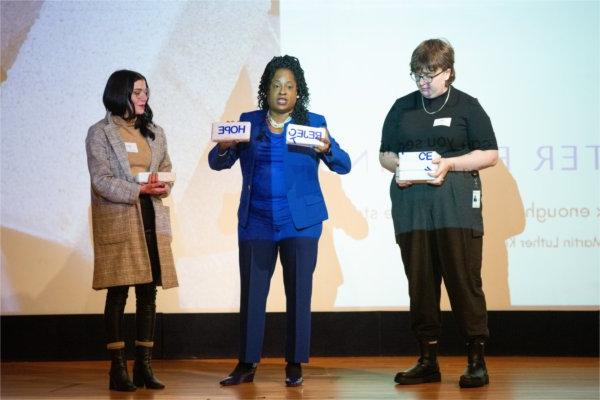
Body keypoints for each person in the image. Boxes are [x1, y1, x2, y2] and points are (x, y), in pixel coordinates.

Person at [209, 55, 351, 387]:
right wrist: (225, 147)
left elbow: (343, 164)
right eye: (275, 85)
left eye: (289, 86)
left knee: (299, 294)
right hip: (256, 221)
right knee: (253, 294)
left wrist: (328, 147)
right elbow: (217, 162)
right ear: (265, 90)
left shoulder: (314, 123)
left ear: (298, 92)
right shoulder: (249, 122)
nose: (282, 91)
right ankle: (246, 364)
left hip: (299, 224)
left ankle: (294, 365)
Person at [379, 39, 498, 388]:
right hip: (412, 211)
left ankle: (476, 360)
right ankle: (427, 359)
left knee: (463, 282)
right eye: (418, 75)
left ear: (448, 71)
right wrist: (397, 167)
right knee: (421, 285)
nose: (423, 82)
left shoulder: (467, 107)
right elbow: (385, 154)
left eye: (430, 74)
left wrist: (450, 164)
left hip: (456, 209)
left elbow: (489, 154)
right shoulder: (402, 108)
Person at [86, 70, 178, 391]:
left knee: (148, 294)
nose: (143, 97)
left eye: (145, 92)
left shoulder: (155, 132)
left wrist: (162, 183)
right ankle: (117, 369)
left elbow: (166, 168)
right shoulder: (100, 133)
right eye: (137, 92)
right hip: (121, 218)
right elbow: (101, 180)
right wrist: (137, 189)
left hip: (150, 217)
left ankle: (144, 366)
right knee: (119, 293)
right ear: (120, 93)